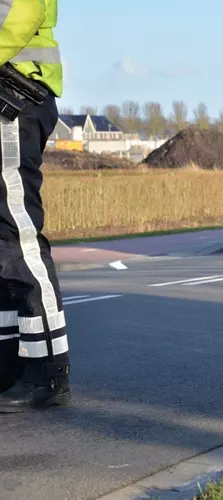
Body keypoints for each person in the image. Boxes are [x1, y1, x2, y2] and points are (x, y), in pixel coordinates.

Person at [0, 0, 71, 412]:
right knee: (3, 240)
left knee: (18, 237)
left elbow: (19, 15)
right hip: (14, 95)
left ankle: (47, 369)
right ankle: (10, 362)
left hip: (13, 96)